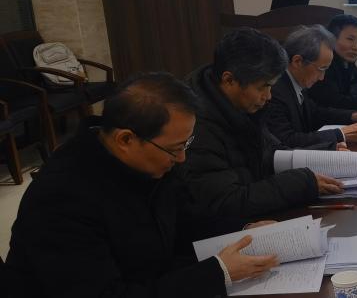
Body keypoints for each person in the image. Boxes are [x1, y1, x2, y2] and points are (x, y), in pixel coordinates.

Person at [3, 73, 277, 297]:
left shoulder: (151, 160)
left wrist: (241, 230)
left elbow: (184, 219)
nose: (181, 158)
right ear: (125, 140)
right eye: (175, 148)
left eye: (186, 144)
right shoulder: (61, 198)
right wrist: (217, 273)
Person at [183, 28, 344, 228]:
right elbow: (225, 201)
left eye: (271, 86)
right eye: (263, 87)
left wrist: (327, 152)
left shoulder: (242, 105)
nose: (268, 96)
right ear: (229, 80)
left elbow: (271, 151)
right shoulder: (196, 125)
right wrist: (299, 183)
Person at [266, 25, 357, 149]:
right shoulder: (274, 91)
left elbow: (315, 113)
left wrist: (354, 116)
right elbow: (286, 140)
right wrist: (340, 134)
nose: (322, 78)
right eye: (321, 69)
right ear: (298, 62)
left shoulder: (297, 81)